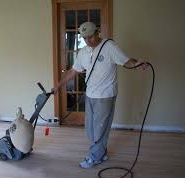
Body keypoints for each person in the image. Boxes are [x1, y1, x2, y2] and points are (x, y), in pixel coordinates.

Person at [52, 22, 149, 168]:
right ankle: (101, 153)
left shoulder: (109, 46)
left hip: (105, 95)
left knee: (100, 128)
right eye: (84, 38)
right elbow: (73, 71)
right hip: (90, 95)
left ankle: (94, 157)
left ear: (97, 33)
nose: (87, 40)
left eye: (90, 37)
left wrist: (138, 64)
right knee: (90, 128)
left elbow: (126, 61)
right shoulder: (83, 52)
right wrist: (58, 86)